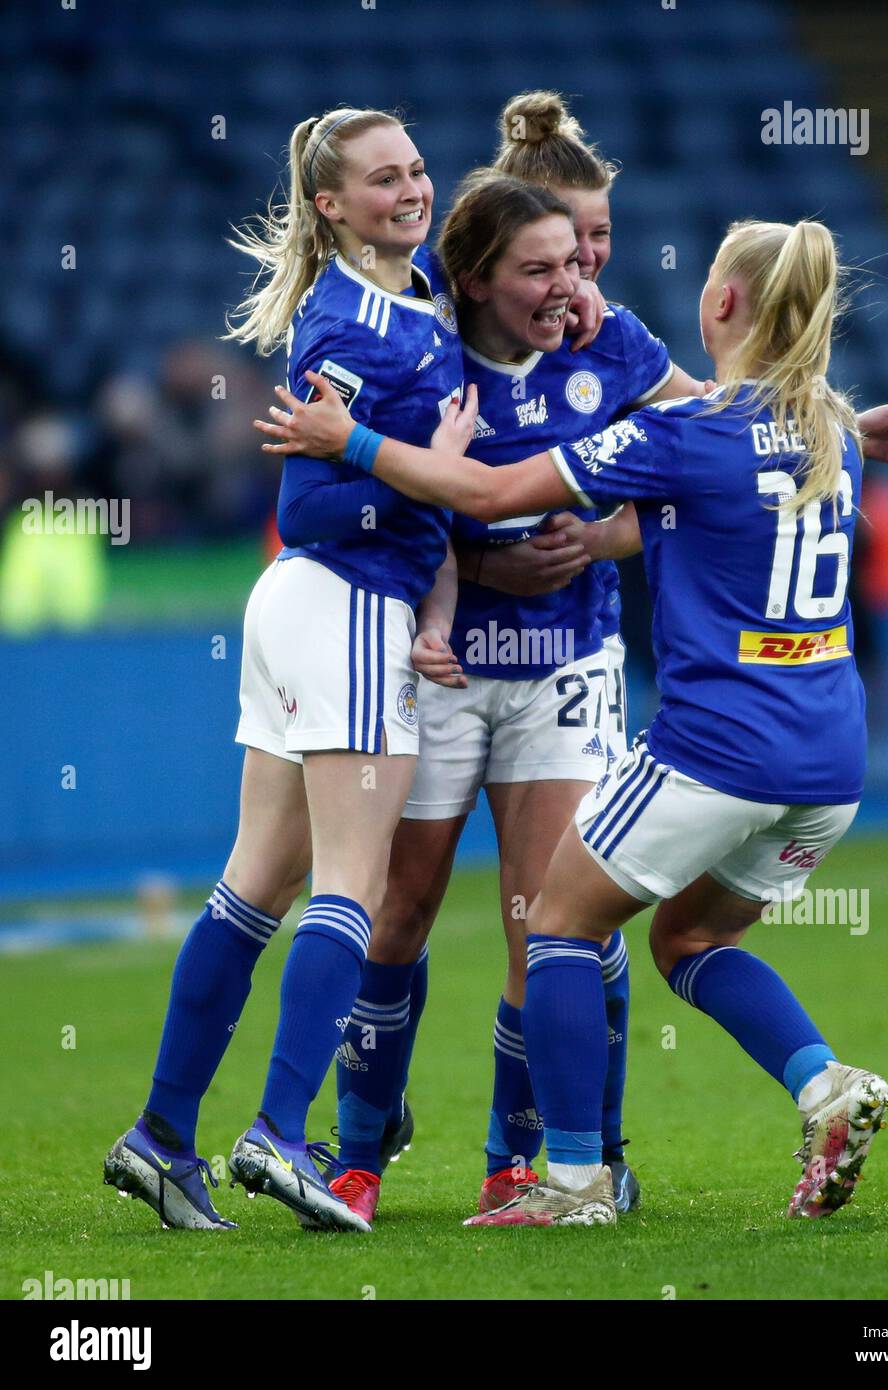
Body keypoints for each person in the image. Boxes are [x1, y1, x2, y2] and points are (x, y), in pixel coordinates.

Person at [256, 217, 888, 1226]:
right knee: (686, 941)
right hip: (827, 765)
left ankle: (572, 1179)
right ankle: (823, 1084)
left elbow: (488, 489)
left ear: (719, 305)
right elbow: (672, 509)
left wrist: (345, 439)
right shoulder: (826, 434)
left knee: (559, 923)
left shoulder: (681, 431)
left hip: (716, 751)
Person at [300, 170, 713, 1227]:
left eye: (577, 260)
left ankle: (512, 1161)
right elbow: (367, 498)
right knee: (397, 912)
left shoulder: (608, 345)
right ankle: (356, 1157)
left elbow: (724, 434)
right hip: (438, 664)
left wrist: (612, 536)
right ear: (474, 280)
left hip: (565, 668)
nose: (568, 284)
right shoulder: (423, 347)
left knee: (545, 923)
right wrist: (476, 575)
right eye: (540, 267)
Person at [103, 105, 467, 1233]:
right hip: (348, 604)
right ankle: (278, 1131)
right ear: (328, 204)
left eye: (415, 169)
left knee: (253, 884)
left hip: (302, 613)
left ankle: (162, 1137)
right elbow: (313, 501)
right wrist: (432, 472)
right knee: (349, 887)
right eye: (381, 180)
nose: (410, 190)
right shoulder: (357, 325)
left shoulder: (408, 293)